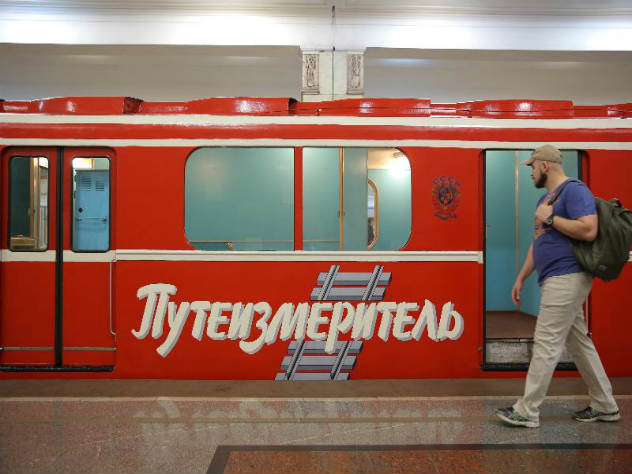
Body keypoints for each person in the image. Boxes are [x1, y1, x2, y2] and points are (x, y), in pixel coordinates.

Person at [495, 144, 620, 428]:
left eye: (532, 167)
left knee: (546, 342)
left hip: (567, 276)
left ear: (544, 166)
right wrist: (521, 277)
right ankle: (605, 405)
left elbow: (589, 229)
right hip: (554, 277)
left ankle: (527, 410)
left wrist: (551, 217)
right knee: (579, 344)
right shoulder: (546, 198)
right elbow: (539, 242)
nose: (530, 173)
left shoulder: (574, 191)